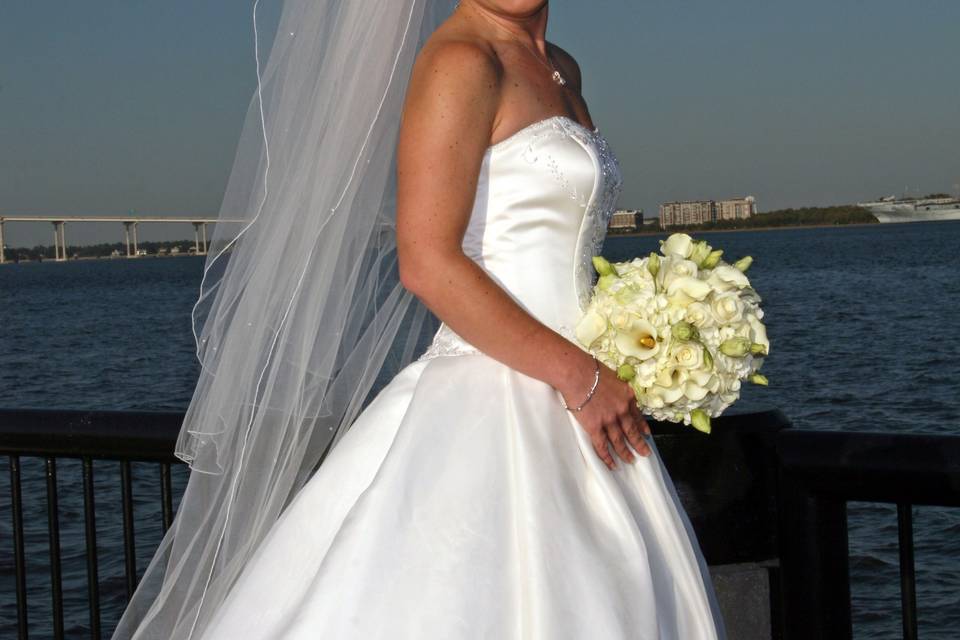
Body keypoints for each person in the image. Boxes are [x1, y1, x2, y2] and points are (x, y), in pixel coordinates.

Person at [113, 1, 725, 638]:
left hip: (583, 394)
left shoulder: (561, 66)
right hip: (513, 388)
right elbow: (427, 262)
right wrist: (582, 378)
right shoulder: (461, 60)